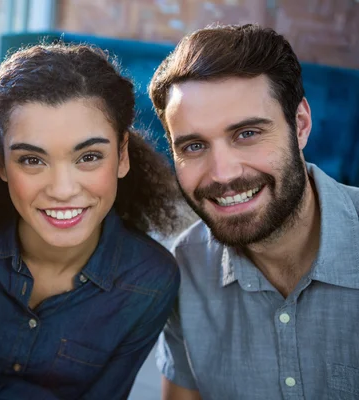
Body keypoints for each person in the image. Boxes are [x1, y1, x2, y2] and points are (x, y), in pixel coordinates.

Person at [0, 43, 182, 400]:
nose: (62, 190)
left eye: (89, 157)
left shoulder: (150, 282)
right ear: (1, 161)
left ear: (122, 155)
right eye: (32, 160)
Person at [148, 23, 359, 400]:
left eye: (247, 134)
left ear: (300, 126)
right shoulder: (183, 270)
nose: (223, 173)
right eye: (194, 146)